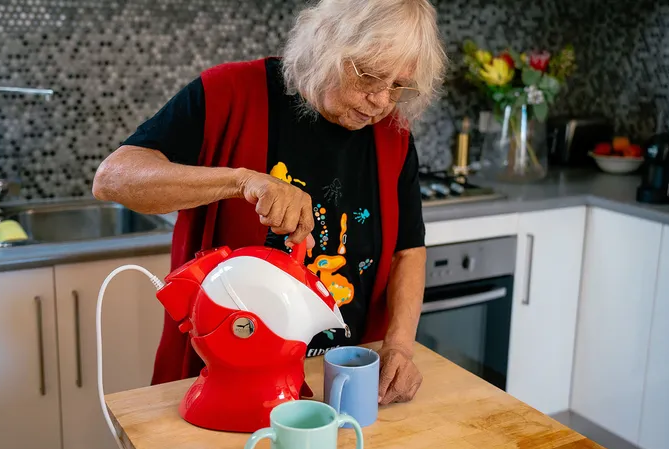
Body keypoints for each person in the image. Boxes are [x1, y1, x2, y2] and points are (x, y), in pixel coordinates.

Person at [92, 0, 447, 405]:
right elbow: (113, 178)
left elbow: (408, 250)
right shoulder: (229, 92)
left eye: (400, 85)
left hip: (344, 380)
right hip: (228, 375)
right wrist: (241, 181)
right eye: (370, 76)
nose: (383, 100)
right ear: (327, 47)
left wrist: (400, 348)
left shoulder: (393, 136)